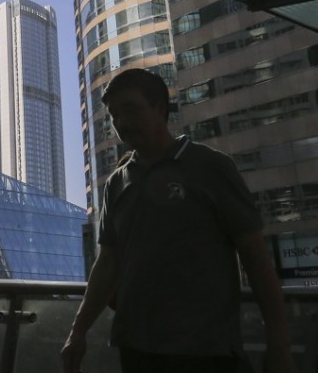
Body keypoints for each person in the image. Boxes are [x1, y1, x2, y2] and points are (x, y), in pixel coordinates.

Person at [61, 68, 295, 373]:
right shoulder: (117, 184)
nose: (121, 123)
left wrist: (279, 345)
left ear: (159, 108)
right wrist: (77, 333)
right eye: (114, 115)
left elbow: (256, 259)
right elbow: (107, 265)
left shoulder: (211, 167)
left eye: (130, 109)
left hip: (205, 352)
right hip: (136, 349)